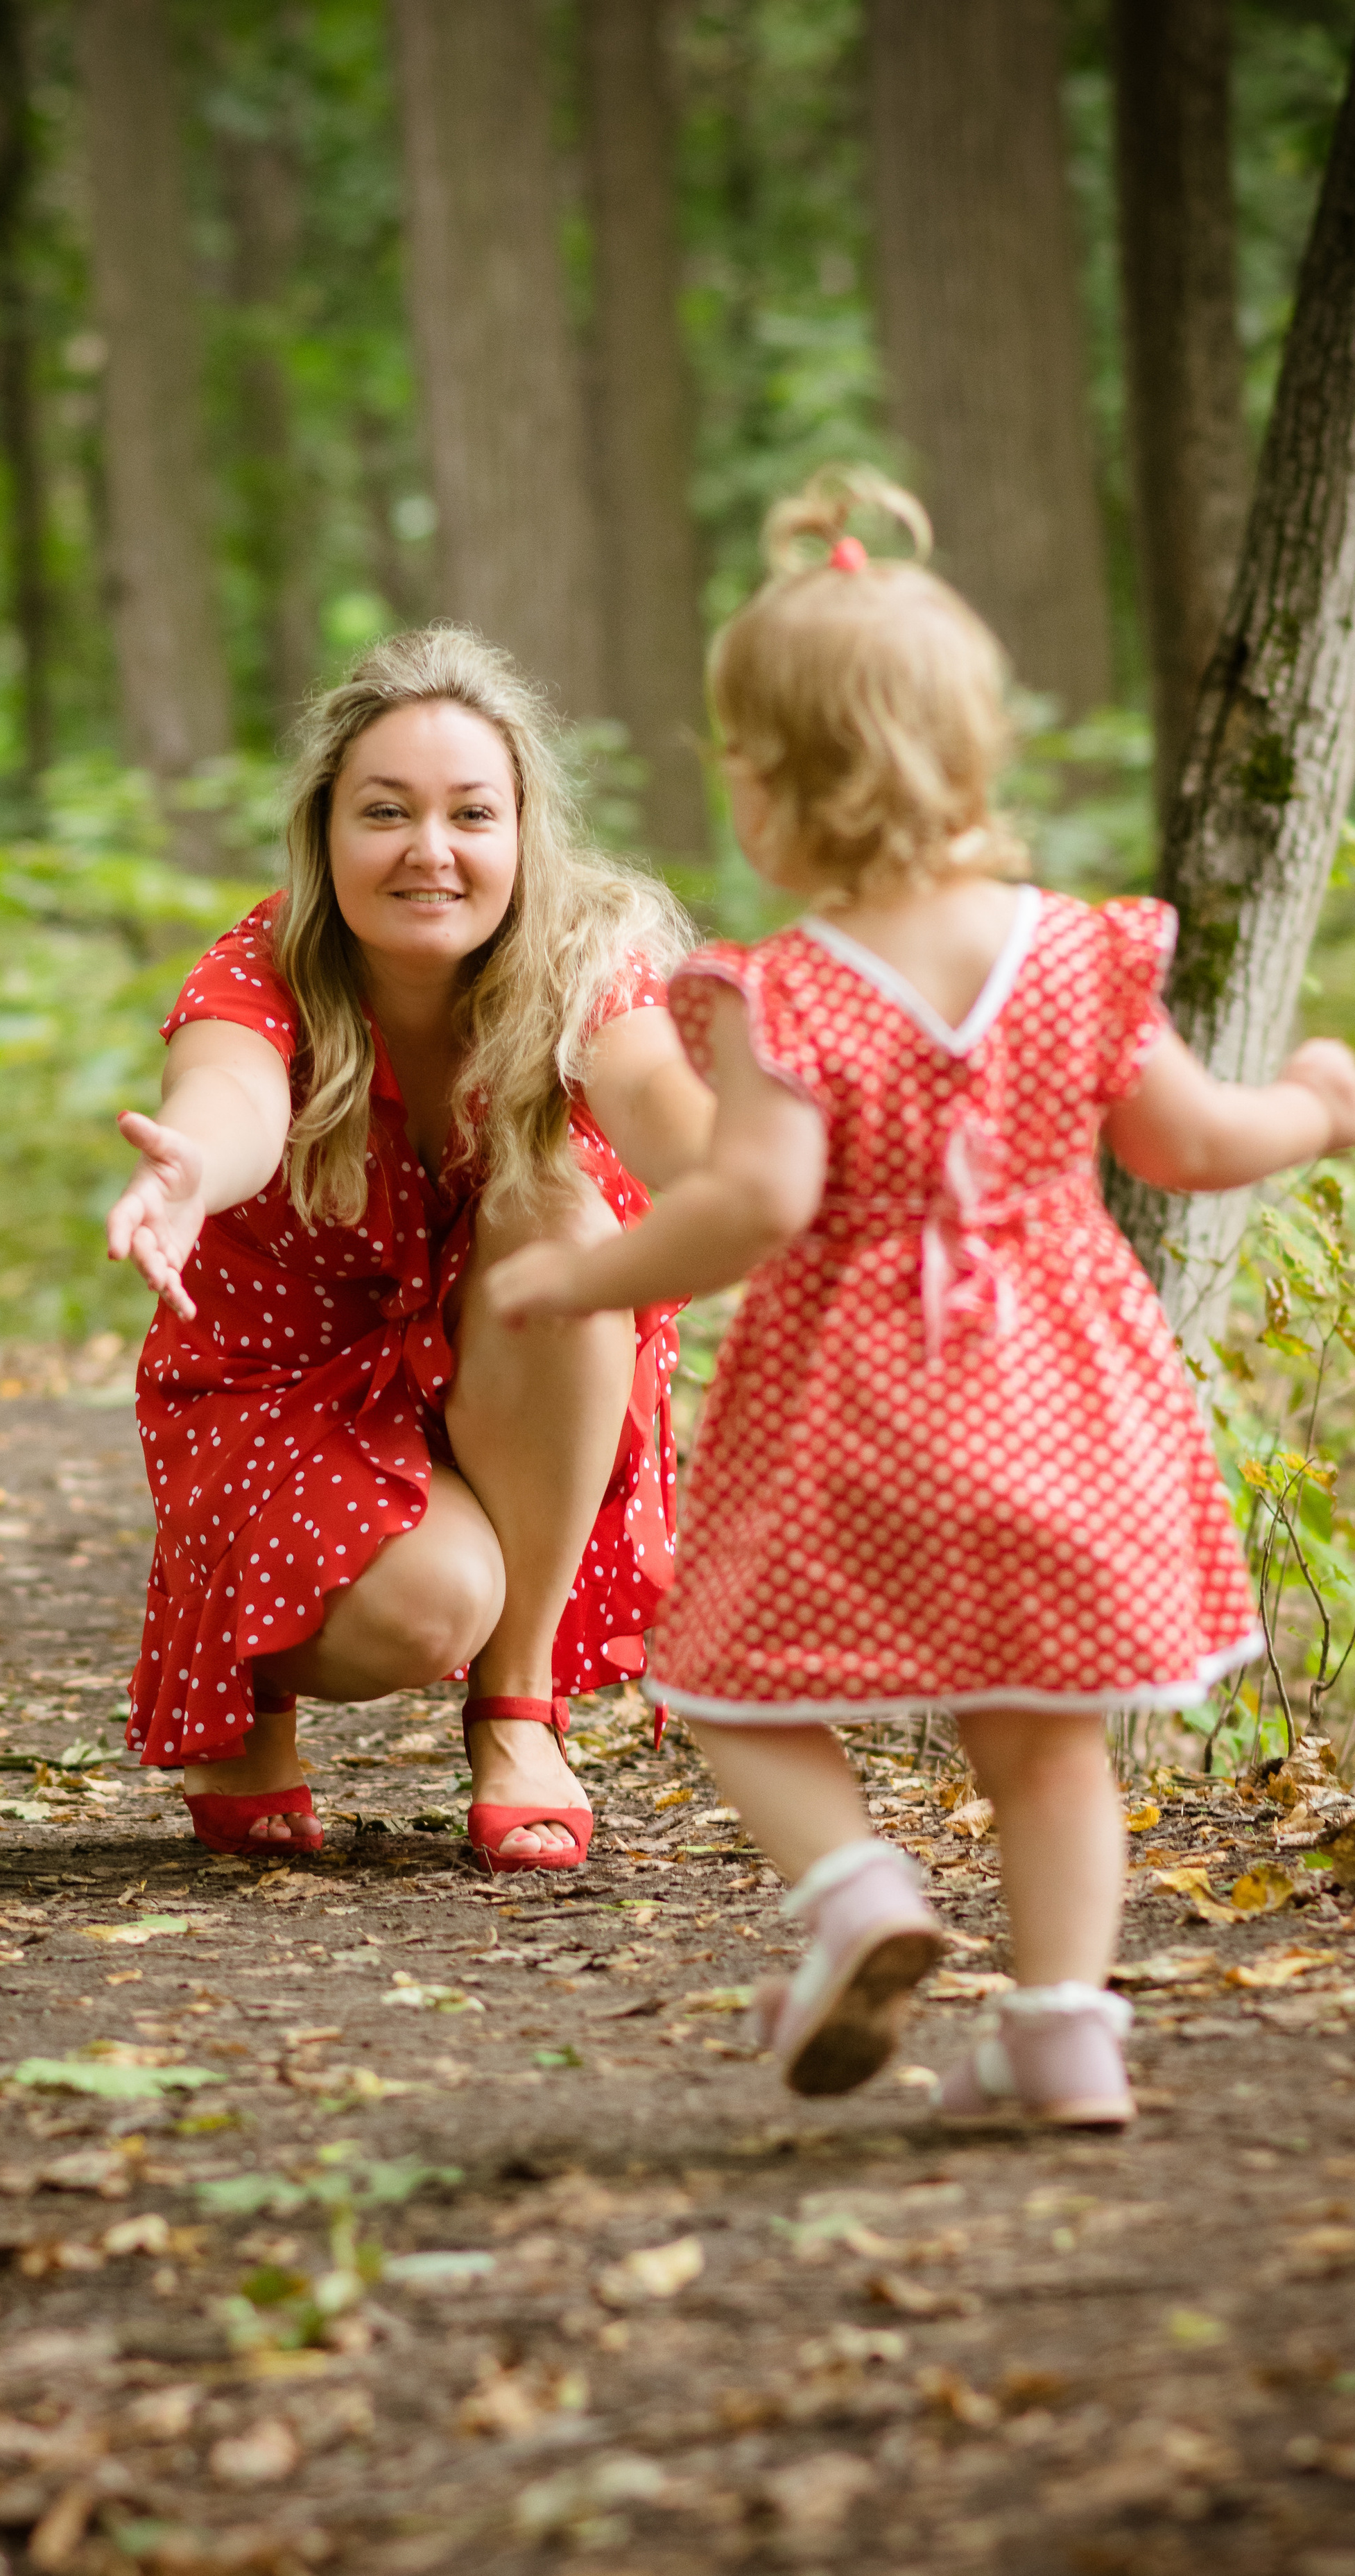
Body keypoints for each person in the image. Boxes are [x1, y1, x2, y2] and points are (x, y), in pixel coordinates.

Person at [486, 469, 1355, 2125]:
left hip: (858, 1405)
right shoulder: (1080, 953)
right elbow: (1187, 1146)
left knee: (722, 1677)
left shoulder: (783, 994)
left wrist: (587, 1269)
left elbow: (753, 1204)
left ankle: (856, 1897)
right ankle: (1064, 2034)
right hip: (1065, 1399)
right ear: (973, 755)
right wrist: (1312, 1103)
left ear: (769, 787)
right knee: (1046, 1739)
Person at [104, 626, 711, 1874]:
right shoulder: (261, 965)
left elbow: (662, 1101)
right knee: (435, 1600)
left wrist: (764, 1154)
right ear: (325, 831)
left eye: (470, 814)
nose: (430, 850)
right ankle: (257, 1684)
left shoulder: (587, 961)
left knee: (562, 1216)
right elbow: (232, 1098)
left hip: (511, 1378)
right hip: (286, 1394)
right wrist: (192, 1167)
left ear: (522, 833)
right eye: (386, 812)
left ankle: (519, 1710)